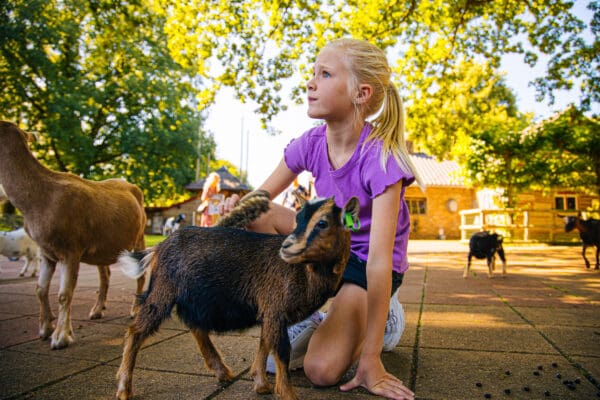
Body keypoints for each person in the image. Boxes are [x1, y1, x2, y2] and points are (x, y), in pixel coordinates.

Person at [223, 38, 422, 400]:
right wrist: (233, 212)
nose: (310, 82)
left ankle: (384, 319)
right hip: (327, 246)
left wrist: (371, 358)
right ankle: (305, 308)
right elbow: (260, 200)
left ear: (361, 93)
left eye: (325, 74)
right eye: (312, 73)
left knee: (320, 371)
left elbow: (379, 261)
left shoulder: (382, 159)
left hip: (365, 264)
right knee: (256, 218)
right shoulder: (310, 143)